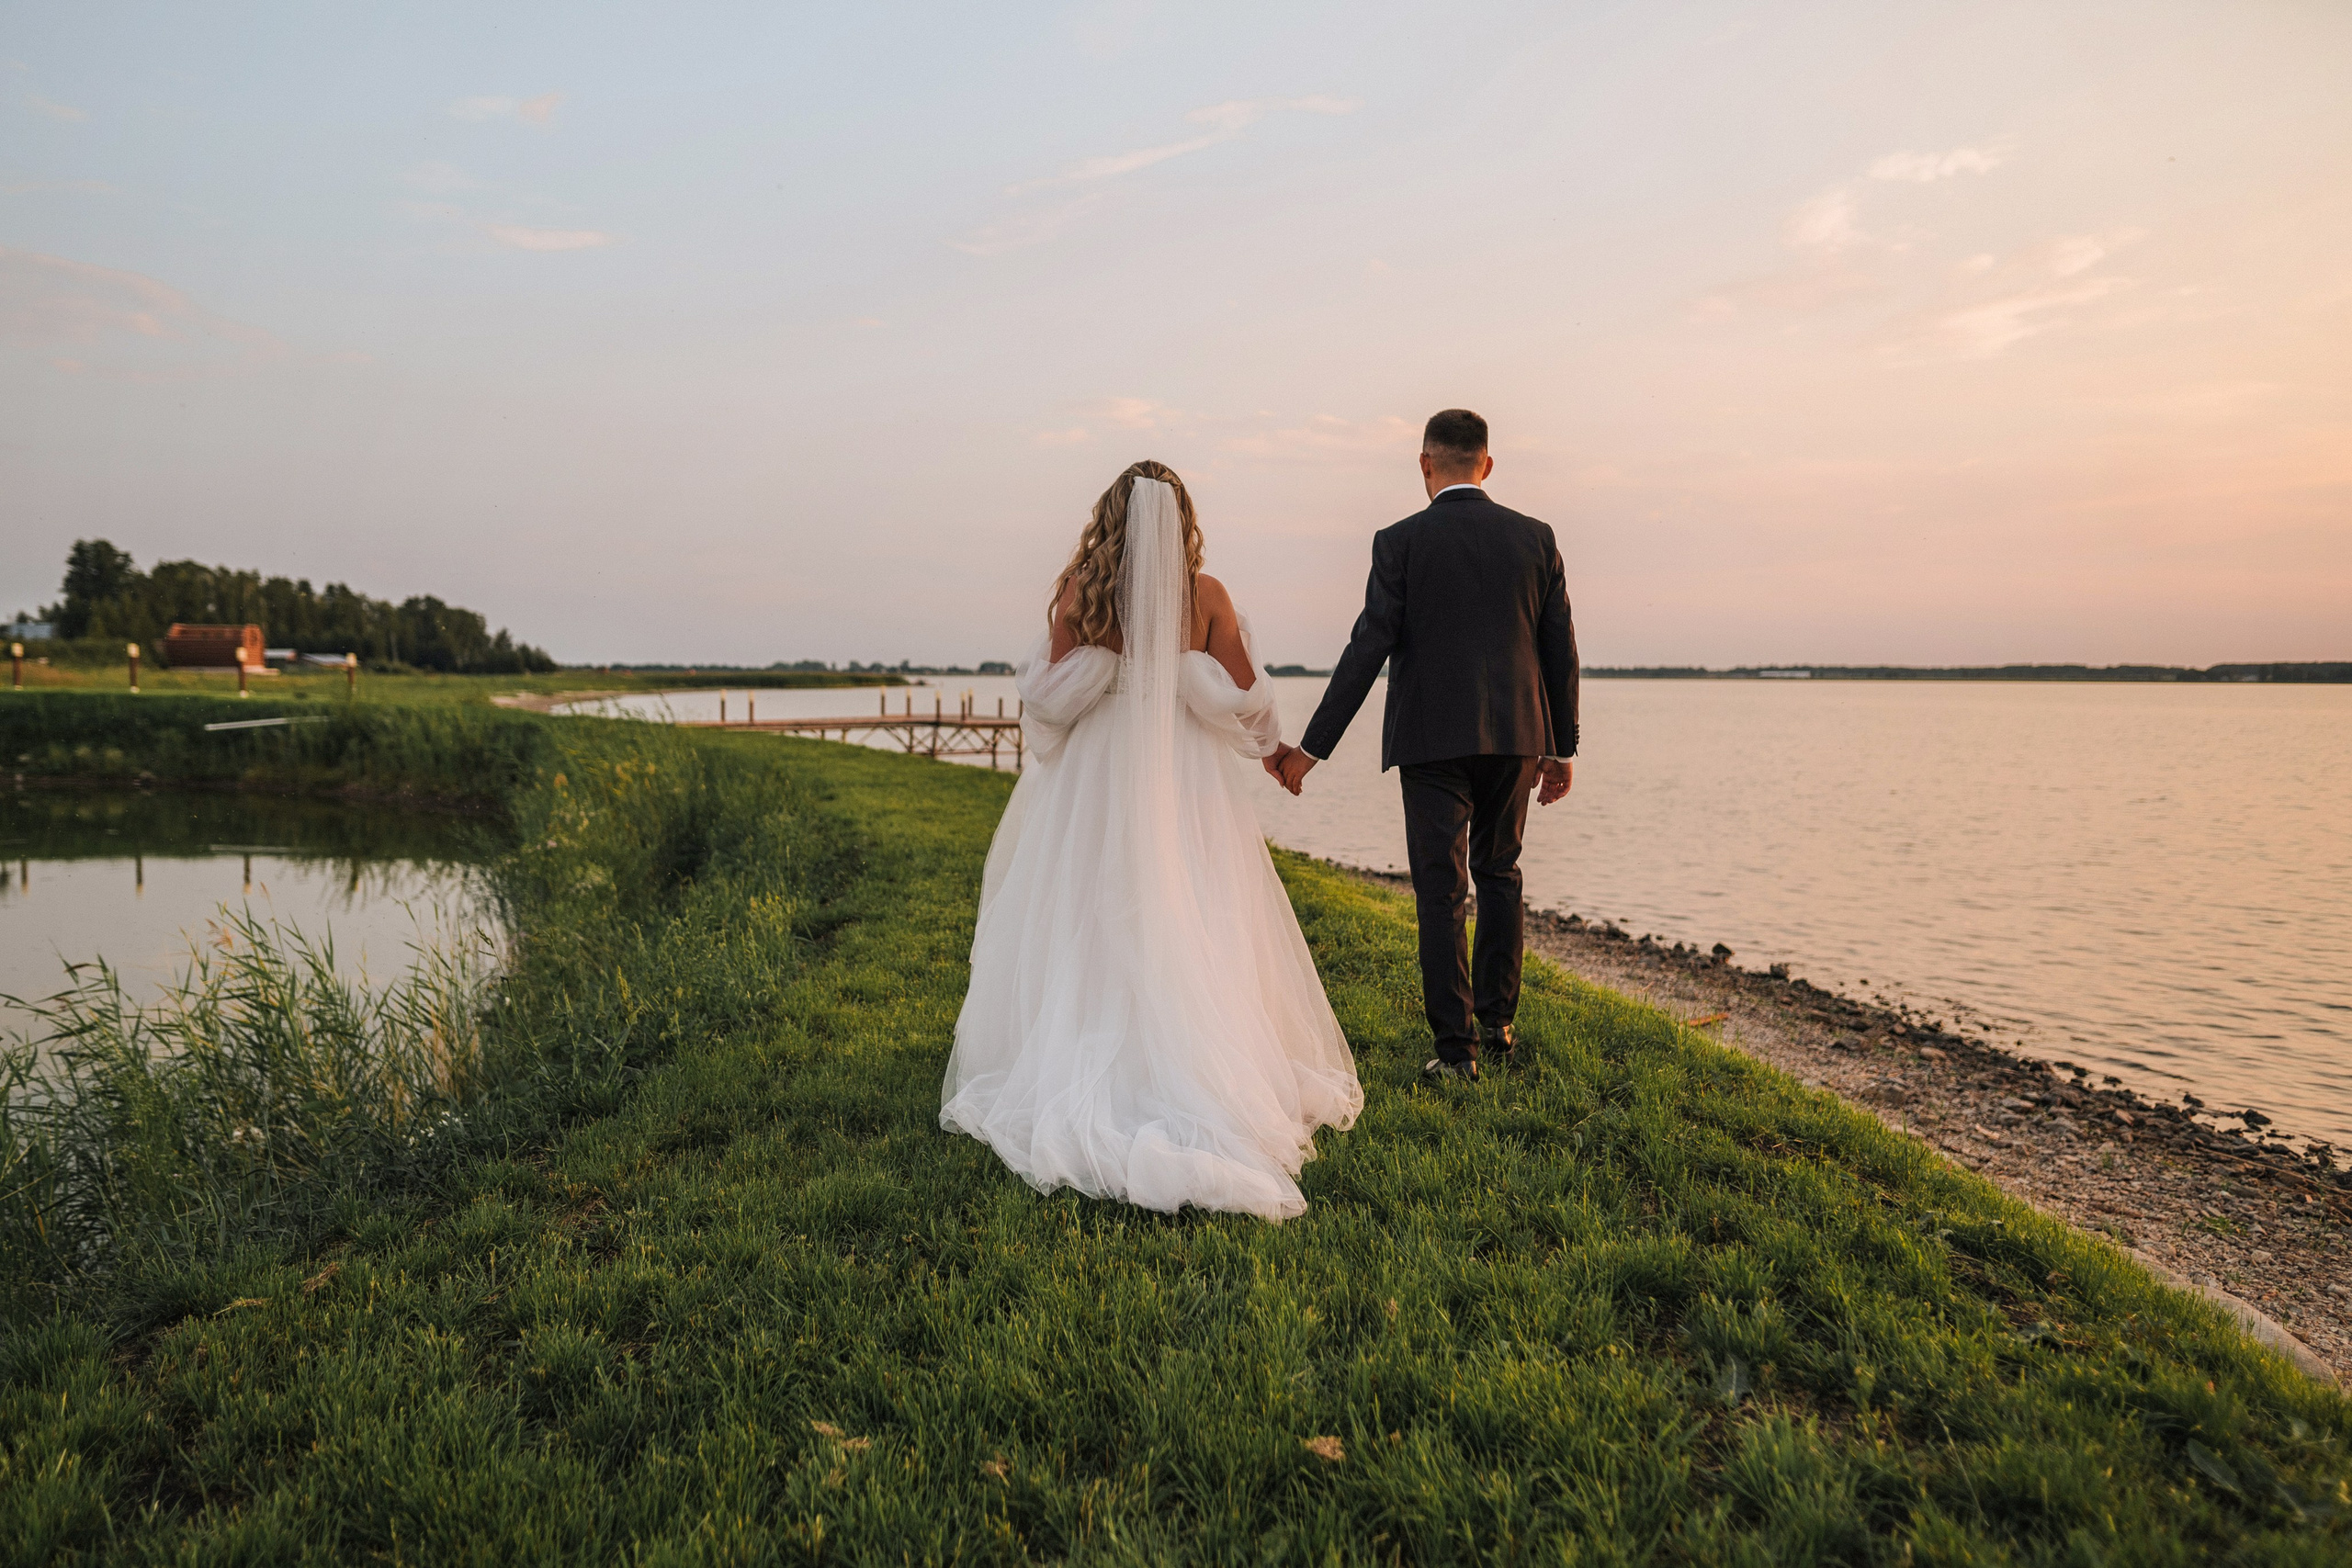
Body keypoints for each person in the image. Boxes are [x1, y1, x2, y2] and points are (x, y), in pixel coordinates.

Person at [940, 460, 1363, 1220]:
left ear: (1111, 515)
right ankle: (1195, 1060)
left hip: (1098, 774)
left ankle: (1090, 1047)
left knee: (1086, 905)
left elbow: (1049, 700)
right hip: (1183, 776)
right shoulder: (1206, 597)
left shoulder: (1082, 590)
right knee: (1195, 901)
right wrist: (1274, 752)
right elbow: (1248, 700)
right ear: (1183, 521)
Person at [1272, 410, 1578, 1083]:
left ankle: (1456, 1052)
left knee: (1442, 890)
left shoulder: (1399, 541)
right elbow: (1560, 651)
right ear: (1487, 465)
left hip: (1432, 741)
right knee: (1501, 874)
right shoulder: (1536, 538)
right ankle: (1497, 1028)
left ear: (1425, 464)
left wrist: (1310, 749)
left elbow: (1367, 648)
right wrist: (1561, 749)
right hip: (1516, 738)